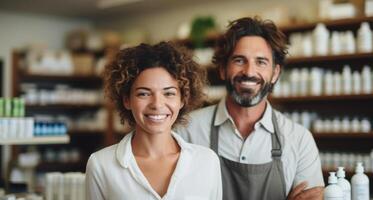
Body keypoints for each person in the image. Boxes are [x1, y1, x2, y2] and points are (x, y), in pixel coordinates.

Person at [176, 17, 324, 200]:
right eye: (239, 60)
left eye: (261, 62)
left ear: (275, 73)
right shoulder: (186, 131)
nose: (249, 71)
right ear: (222, 69)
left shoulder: (299, 140)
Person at [86, 42, 222, 200]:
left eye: (169, 93)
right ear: (126, 100)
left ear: (183, 99)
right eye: (144, 94)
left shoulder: (206, 161)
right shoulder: (101, 165)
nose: (157, 104)